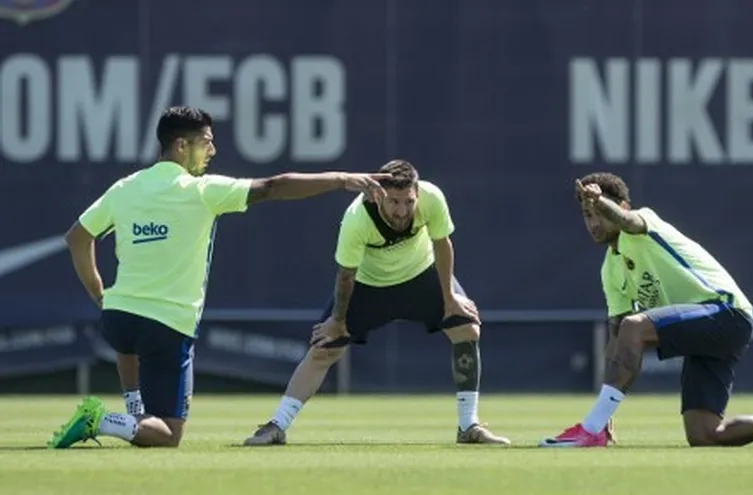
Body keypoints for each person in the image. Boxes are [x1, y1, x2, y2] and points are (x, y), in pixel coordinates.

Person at [48, 106, 390, 449]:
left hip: (117, 320)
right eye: (206, 142)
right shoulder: (201, 190)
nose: (212, 151)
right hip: (166, 326)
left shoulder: (124, 187)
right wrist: (342, 179)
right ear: (181, 146)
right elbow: (274, 186)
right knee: (169, 435)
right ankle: (104, 420)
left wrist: (99, 294)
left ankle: (133, 413)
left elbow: (77, 238)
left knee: (131, 344)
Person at [538, 172, 753, 449]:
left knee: (637, 326)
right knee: (704, 434)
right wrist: (607, 411)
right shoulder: (610, 269)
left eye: (598, 212)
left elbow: (629, 222)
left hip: (727, 313)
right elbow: (617, 337)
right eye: (586, 214)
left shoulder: (644, 222)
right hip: (706, 330)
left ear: (620, 207)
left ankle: (589, 431)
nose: (593, 222)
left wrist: (600, 200)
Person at [243, 159, 510, 446]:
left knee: (466, 329)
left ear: (417, 193)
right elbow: (346, 275)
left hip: (420, 277)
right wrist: (338, 321)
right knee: (323, 351)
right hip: (368, 287)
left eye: (408, 201)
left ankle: (468, 426)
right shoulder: (357, 218)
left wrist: (450, 299)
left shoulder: (432, 198)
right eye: (394, 202)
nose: (402, 210)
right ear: (378, 194)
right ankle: (276, 426)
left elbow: (442, 244)